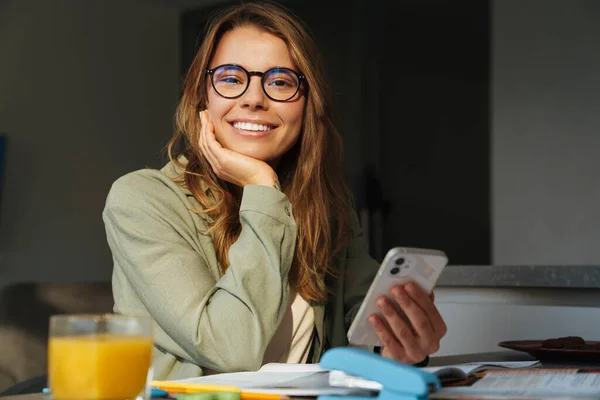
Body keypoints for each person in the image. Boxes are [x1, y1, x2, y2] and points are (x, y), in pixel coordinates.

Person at [102, 1, 447, 380]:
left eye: (280, 81)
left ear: (307, 102)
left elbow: (363, 321)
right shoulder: (141, 200)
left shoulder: (328, 206)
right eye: (232, 78)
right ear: (203, 95)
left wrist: (403, 346)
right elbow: (231, 350)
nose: (253, 99)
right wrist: (261, 187)